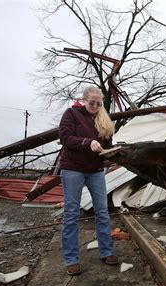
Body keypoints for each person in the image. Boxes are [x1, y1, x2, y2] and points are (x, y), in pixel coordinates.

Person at [59, 85, 118, 275]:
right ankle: (71, 259)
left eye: (99, 103)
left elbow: (107, 144)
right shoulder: (71, 114)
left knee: (102, 211)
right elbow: (65, 138)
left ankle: (107, 252)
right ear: (83, 100)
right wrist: (87, 142)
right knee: (71, 214)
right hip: (73, 168)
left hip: (95, 170)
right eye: (91, 102)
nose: (95, 106)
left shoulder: (103, 119)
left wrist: (112, 154)